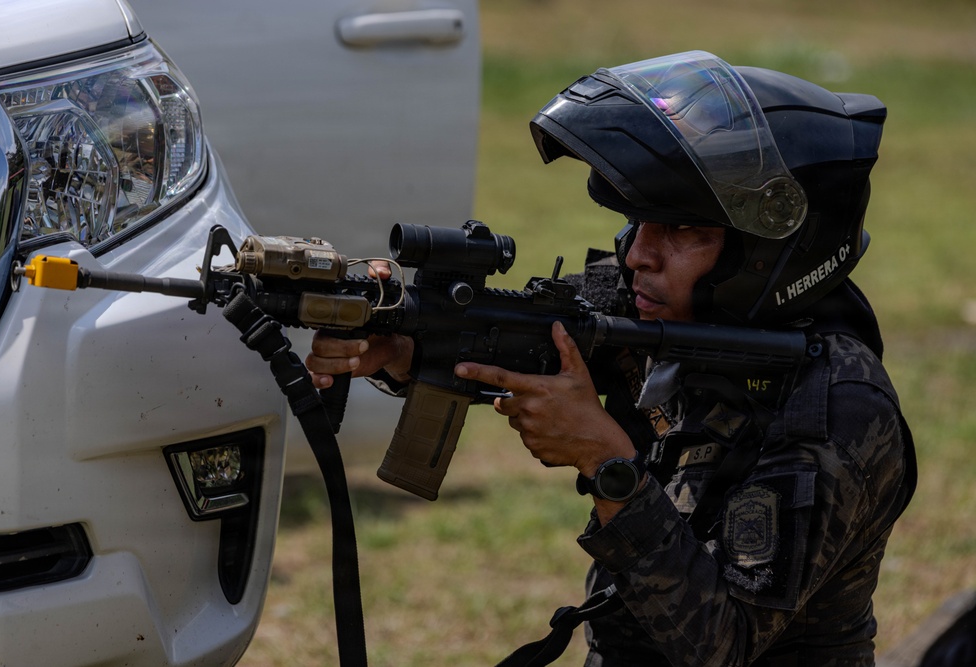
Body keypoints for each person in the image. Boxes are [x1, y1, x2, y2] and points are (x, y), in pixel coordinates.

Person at [305, 51, 917, 667]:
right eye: (639, 222)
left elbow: (722, 646)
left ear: (765, 251)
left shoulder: (837, 405)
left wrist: (607, 465)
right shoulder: (663, 311)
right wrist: (403, 343)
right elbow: (533, 331)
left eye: (681, 231)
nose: (638, 256)